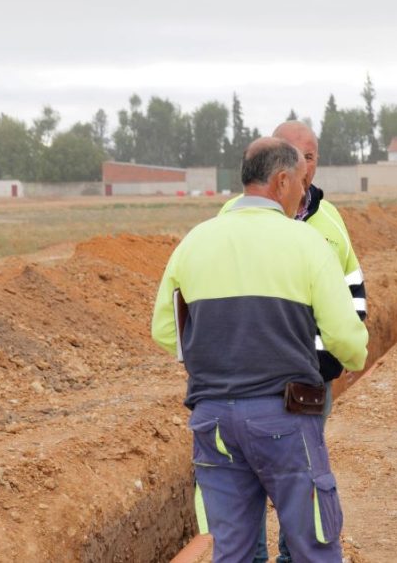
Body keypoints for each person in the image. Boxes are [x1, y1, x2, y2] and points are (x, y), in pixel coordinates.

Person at [152, 138, 368, 563]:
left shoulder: (194, 242)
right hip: (283, 418)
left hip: (212, 420)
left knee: (231, 550)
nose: (303, 195)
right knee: (313, 544)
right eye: (300, 186)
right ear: (281, 180)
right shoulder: (305, 243)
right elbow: (344, 335)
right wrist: (354, 358)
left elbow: (164, 331)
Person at [221, 121, 367, 563]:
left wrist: (334, 362)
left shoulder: (329, 219)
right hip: (248, 379)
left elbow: (352, 288)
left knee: (300, 484)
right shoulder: (231, 218)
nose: (306, 165)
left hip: (308, 381)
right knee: (248, 488)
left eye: (312, 155)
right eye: (297, 155)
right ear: (276, 164)